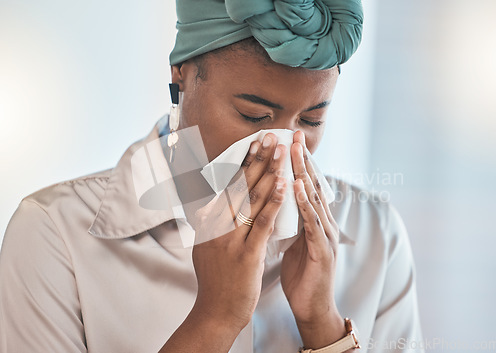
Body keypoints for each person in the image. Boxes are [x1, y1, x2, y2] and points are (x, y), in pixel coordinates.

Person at [0, 1, 424, 352]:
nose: (281, 146)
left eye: (311, 120)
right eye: (253, 115)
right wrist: (216, 317)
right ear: (181, 77)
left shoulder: (375, 234)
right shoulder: (55, 234)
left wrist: (322, 323)